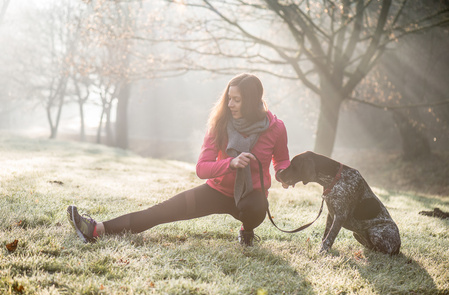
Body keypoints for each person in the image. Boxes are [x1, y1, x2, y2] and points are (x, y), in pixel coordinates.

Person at [67, 73, 291, 246]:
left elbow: (280, 159)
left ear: (252, 102)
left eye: (237, 100)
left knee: (255, 207)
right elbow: (202, 169)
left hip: (250, 197)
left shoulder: (275, 128)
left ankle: (247, 231)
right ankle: (96, 230)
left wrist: (283, 174)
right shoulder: (220, 124)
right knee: (159, 212)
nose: (230, 104)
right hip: (216, 192)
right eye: (229, 98)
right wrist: (230, 163)